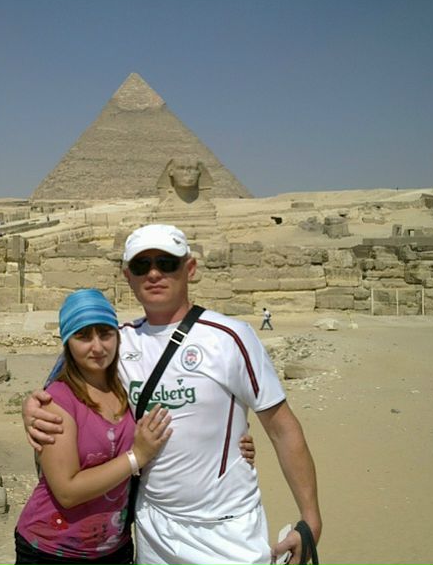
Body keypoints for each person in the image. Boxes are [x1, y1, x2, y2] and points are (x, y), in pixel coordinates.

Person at [25, 224, 321, 565]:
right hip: (153, 530)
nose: (154, 274)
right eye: (142, 266)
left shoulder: (230, 337)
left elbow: (282, 428)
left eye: (166, 263)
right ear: (128, 276)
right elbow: (62, 386)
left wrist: (310, 519)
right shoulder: (117, 340)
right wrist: (30, 407)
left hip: (226, 529)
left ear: (189, 268)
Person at [15, 289, 172, 565]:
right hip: (53, 550)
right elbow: (67, 491)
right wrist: (136, 457)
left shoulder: (127, 386)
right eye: (84, 336)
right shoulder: (57, 402)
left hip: (115, 548)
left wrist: (237, 445)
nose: (97, 347)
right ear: (68, 342)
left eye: (105, 334)